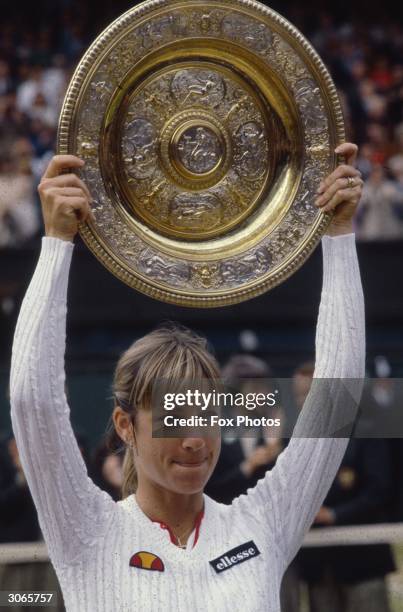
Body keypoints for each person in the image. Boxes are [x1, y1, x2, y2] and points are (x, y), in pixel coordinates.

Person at [10, 144, 365, 611]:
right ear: (124, 425)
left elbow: (336, 400)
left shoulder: (262, 523)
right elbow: (32, 401)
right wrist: (57, 243)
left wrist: (339, 235)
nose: (195, 439)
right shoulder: (87, 530)